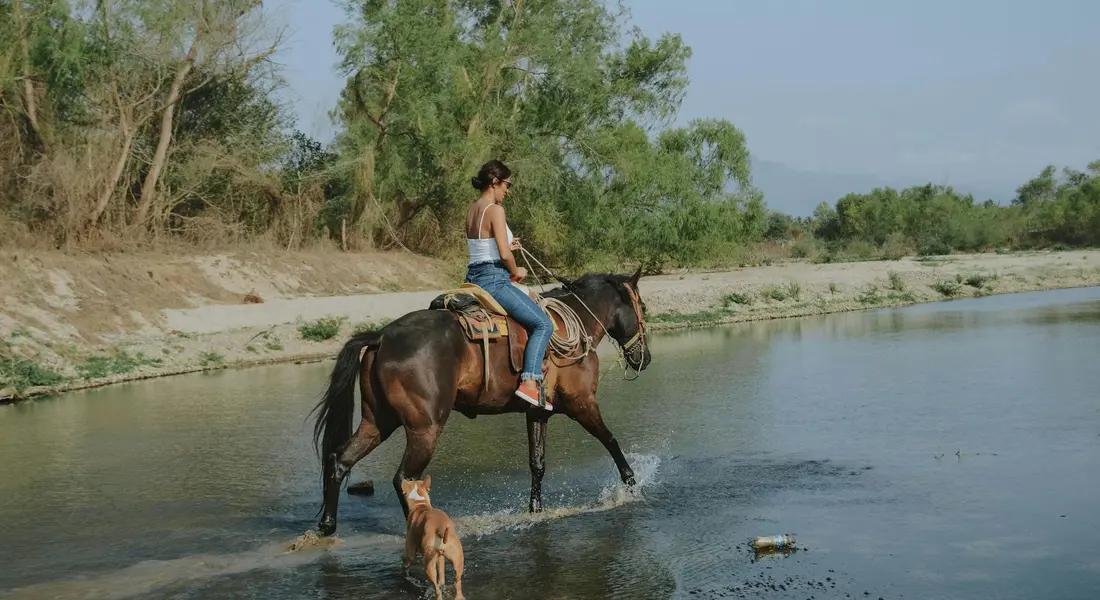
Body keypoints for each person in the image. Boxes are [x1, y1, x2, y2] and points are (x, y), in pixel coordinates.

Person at [464, 160, 554, 411]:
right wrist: (516, 270)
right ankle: (529, 382)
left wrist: (507, 248)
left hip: (473, 276)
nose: (508, 190)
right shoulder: (495, 209)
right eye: (507, 184)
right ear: (495, 182)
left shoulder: (473, 209)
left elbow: (484, 247)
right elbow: (503, 254)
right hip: (493, 278)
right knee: (543, 323)